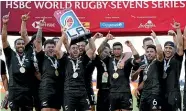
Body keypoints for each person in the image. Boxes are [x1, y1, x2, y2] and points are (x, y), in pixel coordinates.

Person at [55, 28, 96, 111]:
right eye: (73, 48)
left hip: (82, 92)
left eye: (76, 48)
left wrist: (89, 36)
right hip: (69, 93)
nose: (75, 50)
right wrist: (63, 35)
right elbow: (57, 50)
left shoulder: (83, 60)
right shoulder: (65, 60)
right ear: (69, 51)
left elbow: (92, 49)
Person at [2, 12, 35, 111]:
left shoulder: (29, 52)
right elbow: (4, 39)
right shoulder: (10, 54)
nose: (21, 45)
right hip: (14, 90)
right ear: (15, 46)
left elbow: (24, 34)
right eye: (18, 44)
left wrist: (24, 21)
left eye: (22, 43)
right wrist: (5, 24)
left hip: (28, 90)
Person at [103, 40, 140, 111]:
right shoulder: (108, 60)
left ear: (122, 50)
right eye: (115, 49)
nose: (117, 51)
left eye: (119, 49)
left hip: (125, 92)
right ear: (112, 50)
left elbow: (137, 59)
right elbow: (99, 51)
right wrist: (106, 40)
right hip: (112, 92)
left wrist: (131, 46)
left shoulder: (128, 60)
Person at [20, 13, 46, 111]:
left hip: (39, 82)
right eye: (34, 39)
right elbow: (23, 34)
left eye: (39, 40)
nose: (37, 41)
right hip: (27, 81)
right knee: (28, 106)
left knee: (39, 106)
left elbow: (39, 39)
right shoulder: (28, 48)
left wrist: (40, 28)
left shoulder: (42, 53)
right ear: (32, 41)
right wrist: (24, 21)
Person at [139, 30, 164, 111]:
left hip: (154, 93)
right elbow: (145, 80)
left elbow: (160, 51)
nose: (149, 53)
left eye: (151, 52)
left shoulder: (158, 62)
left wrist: (155, 38)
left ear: (155, 53)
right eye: (147, 52)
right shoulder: (146, 65)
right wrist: (137, 89)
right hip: (144, 94)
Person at [131, 37, 154, 108]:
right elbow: (133, 78)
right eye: (147, 46)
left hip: (156, 91)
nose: (149, 47)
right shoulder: (138, 60)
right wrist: (138, 71)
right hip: (143, 91)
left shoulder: (158, 59)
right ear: (143, 47)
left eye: (151, 45)